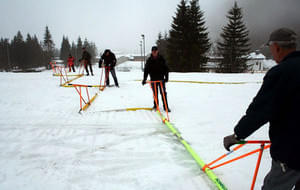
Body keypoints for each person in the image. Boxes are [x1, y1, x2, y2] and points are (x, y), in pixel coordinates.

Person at [223, 28, 300, 190]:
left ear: (277, 47)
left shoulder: (281, 72)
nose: (271, 53)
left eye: (271, 48)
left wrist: (238, 134)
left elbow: (261, 110)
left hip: (291, 152)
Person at [142, 46, 171, 112]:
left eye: (155, 51)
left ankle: (166, 106)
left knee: (163, 93)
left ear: (157, 51)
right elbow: (146, 70)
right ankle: (156, 105)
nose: (154, 52)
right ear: (152, 52)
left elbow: (166, 69)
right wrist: (144, 79)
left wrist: (166, 78)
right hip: (153, 80)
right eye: (153, 51)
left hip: (161, 79)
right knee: (155, 93)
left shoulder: (161, 58)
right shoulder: (149, 60)